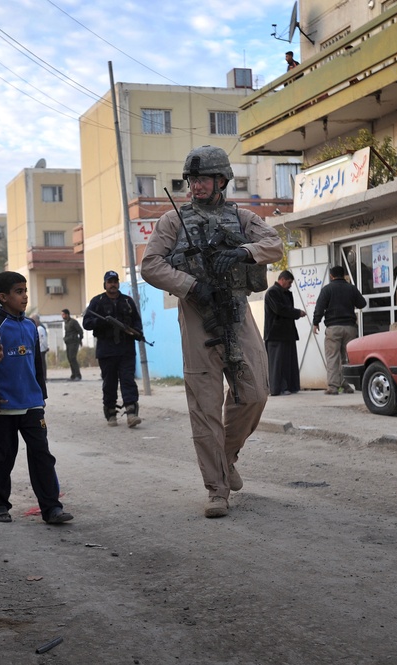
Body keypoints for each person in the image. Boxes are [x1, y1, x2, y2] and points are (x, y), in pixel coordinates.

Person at [141, 145, 282, 518]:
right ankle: (217, 490)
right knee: (204, 406)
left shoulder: (243, 216)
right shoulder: (172, 222)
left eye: (203, 179)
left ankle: (227, 456)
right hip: (196, 316)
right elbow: (150, 265)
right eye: (192, 180)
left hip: (237, 312)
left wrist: (243, 252)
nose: (196, 186)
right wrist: (189, 285)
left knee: (255, 393)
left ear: (221, 181)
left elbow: (275, 244)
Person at [0, 272, 73, 525]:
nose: (25, 296)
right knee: (1, 458)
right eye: (19, 291)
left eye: (25, 291)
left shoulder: (31, 325)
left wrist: (41, 394)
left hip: (31, 404)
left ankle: (51, 507)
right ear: (3, 297)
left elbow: (37, 365)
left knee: (42, 455)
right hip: (3, 406)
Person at [83, 271, 143, 428]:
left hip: (126, 349)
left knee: (128, 380)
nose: (113, 284)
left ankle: (131, 412)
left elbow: (137, 321)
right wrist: (102, 323)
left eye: (115, 281)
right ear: (105, 284)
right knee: (109, 383)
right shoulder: (97, 302)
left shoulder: (127, 301)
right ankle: (110, 412)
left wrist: (136, 332)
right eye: (110, 282)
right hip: (106, 350)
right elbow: (86, 323)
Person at [312, 266, 366, 394]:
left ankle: (333, 387)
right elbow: (362, 304)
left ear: (331, 276)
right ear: (344, 275)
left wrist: (316, 323)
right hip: (350, 327)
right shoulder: (351, 289)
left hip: (333, 328)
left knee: (332, 357)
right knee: (346, 358)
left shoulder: (327, 289)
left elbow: (319, 307)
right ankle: (346, 385)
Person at [264, 270, 306, 396]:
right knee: (277, 363)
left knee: (288, 362)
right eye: (289, 282)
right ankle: (277, 388)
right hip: (275, 334)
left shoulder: (286, 293)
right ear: (281, 279)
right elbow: (280, 309)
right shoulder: (272, 292)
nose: (290, 285)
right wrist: (296, 313)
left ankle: (290, 386)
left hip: (287, 333)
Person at [62, 308, 83, 381]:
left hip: (74, 342)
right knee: (69, 358)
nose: (62, 316)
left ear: (67, 314)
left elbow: (80, 331)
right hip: (68, 342)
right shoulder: (66, 323)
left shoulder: (73, 322)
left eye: (64, 314)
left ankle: (78, 375)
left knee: (73, 358)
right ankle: (73, 374)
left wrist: (80, 340)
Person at [31, 314, 49, 384]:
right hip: (40, 349)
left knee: (42, 364)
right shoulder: (36, 328)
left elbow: (43, 340)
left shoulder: (40, 329)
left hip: (41, 349)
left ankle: (44, 376)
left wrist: (45, 347)